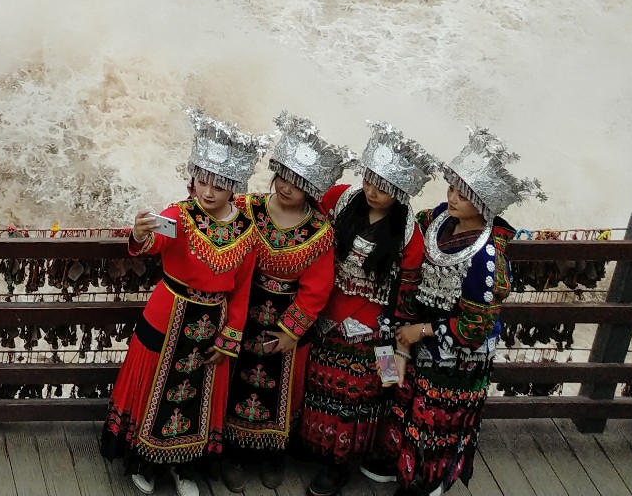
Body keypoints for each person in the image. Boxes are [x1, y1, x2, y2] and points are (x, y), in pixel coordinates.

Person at [103, 109, 271, 496]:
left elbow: (242, 289)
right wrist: (140, 231)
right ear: (192, 177)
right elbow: (152, 244)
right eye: (203, 180)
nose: (208, 191)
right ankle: (143, 458)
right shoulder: (179, 213)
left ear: (235, 186)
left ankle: (183, 468)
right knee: (152, 391)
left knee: (197, 393)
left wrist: (230, 338)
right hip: (166, 316)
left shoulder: (247, 229)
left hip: (212, 322)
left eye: (220, 183)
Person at [377, 127, 543, 496]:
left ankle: (428, 478)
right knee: (400, 394)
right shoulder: (435, 218)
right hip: (411, 330)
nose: (453, 198)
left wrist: (421, 331)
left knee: (437, 417)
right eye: (452, 188)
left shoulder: (486, 257)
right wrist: (402, 338)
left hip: (455, 352)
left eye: (464, 196)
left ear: (484, 204)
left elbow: (476, 326)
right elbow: (408, 267)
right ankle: (396, 459)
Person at [295, 122, 438, 496]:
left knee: (375, 392)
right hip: (325, 314)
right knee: (316, 384)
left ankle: (340, 463)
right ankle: (313, 446)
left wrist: (399, 351)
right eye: (370, 179)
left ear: (401, 191)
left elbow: (407, 300)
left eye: (384, 186)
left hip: (380, 331)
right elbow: (301, 224)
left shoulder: (409, 233)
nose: (373, 190)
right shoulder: (340, 198)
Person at [220, 114, 346, 492]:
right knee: (234, 380)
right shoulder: (246, 207)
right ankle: (229, 453)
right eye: (284, 177)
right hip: (243, 309)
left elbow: (317, 288)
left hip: (286, 321)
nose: (288, 187)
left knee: (281, 388)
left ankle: (272, 453)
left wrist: (292, 331)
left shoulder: (320, 232)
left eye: (299, 182)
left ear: (312, 187)